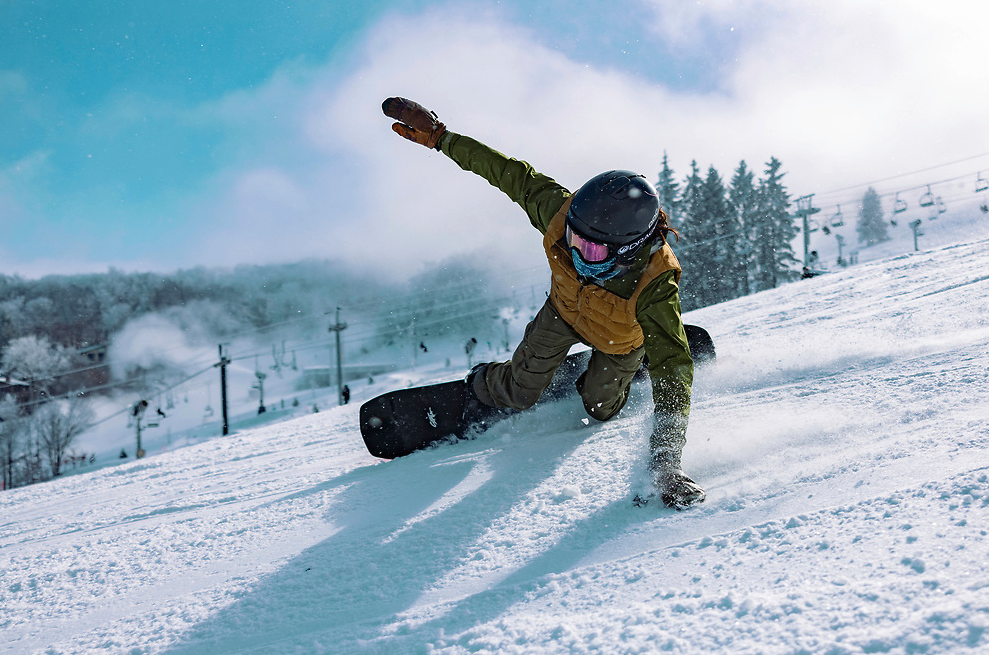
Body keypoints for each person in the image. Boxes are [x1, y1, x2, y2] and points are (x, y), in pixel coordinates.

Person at [381, 97, 704, 510]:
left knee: (601, 408)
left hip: (619, 339)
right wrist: (442, 138)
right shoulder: (560, 212)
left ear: (630, 249)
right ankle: (490, 378)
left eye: (593, 250)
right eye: (574, 240)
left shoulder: (654, 285)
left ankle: (637, 364)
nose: (577, 254)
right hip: (564, 313)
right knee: (518, 392)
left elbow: (675, 375)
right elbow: (507, 173)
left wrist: (665, 464)